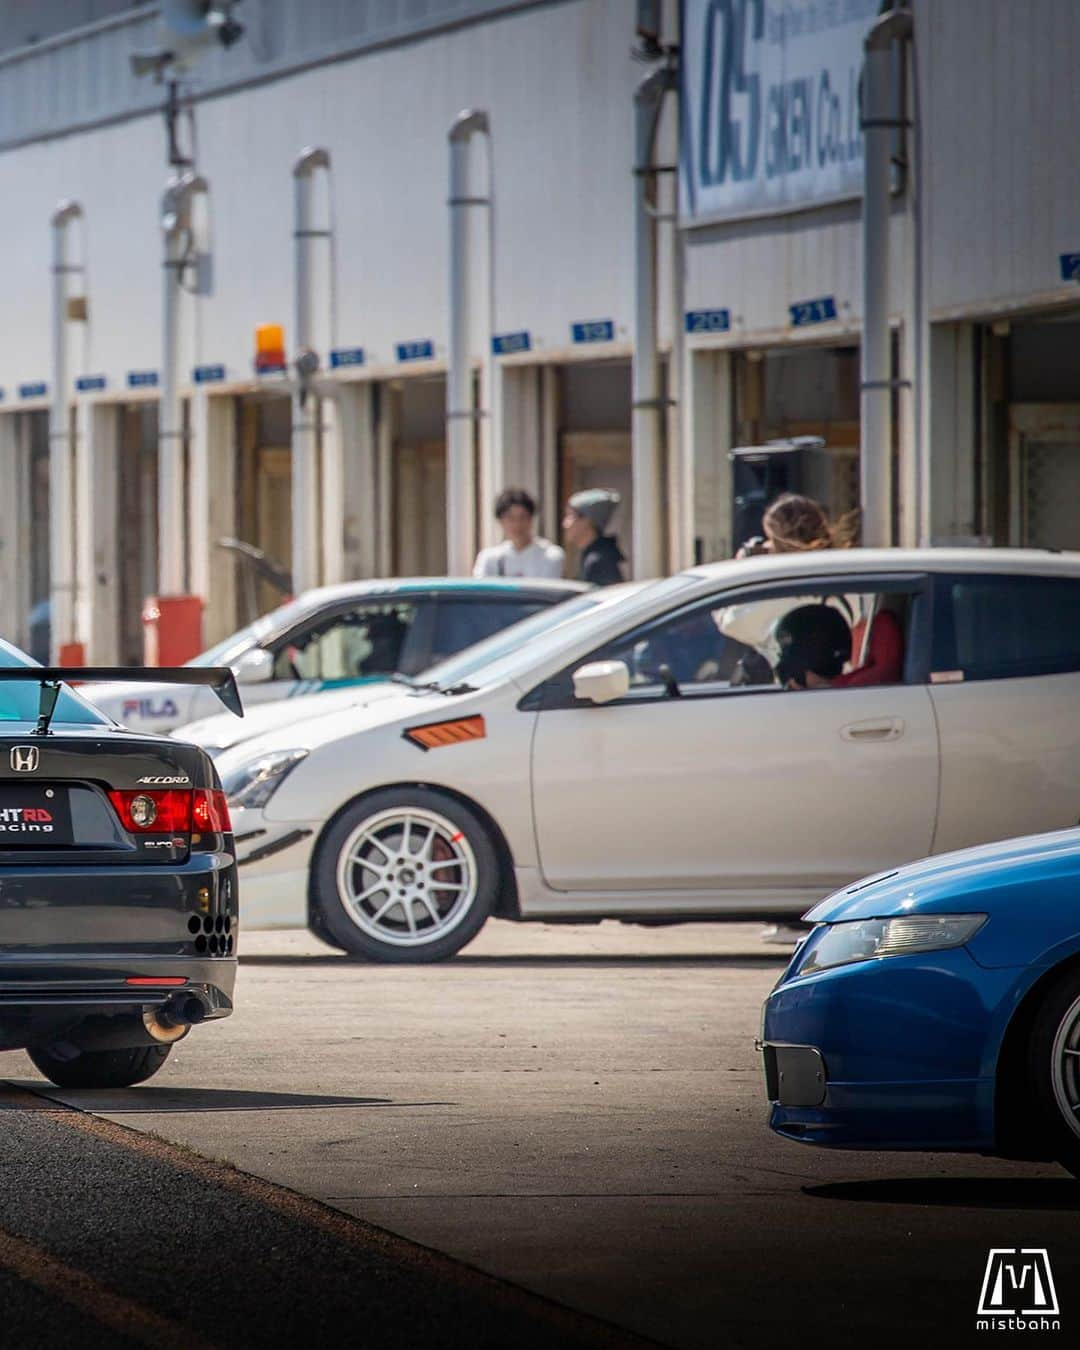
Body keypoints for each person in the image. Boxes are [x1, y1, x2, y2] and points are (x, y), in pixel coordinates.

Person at [472, 487, 565, 579]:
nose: (517, 524)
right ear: (500, 521)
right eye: (510, 518)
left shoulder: (551, 555)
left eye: (522, 517)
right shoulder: (490, 557)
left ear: (531, 519)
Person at [562, 488, 625, 586]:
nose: (565, 524)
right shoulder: (593, 556)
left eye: (570, 516)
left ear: (587, 520)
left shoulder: (599, 562)